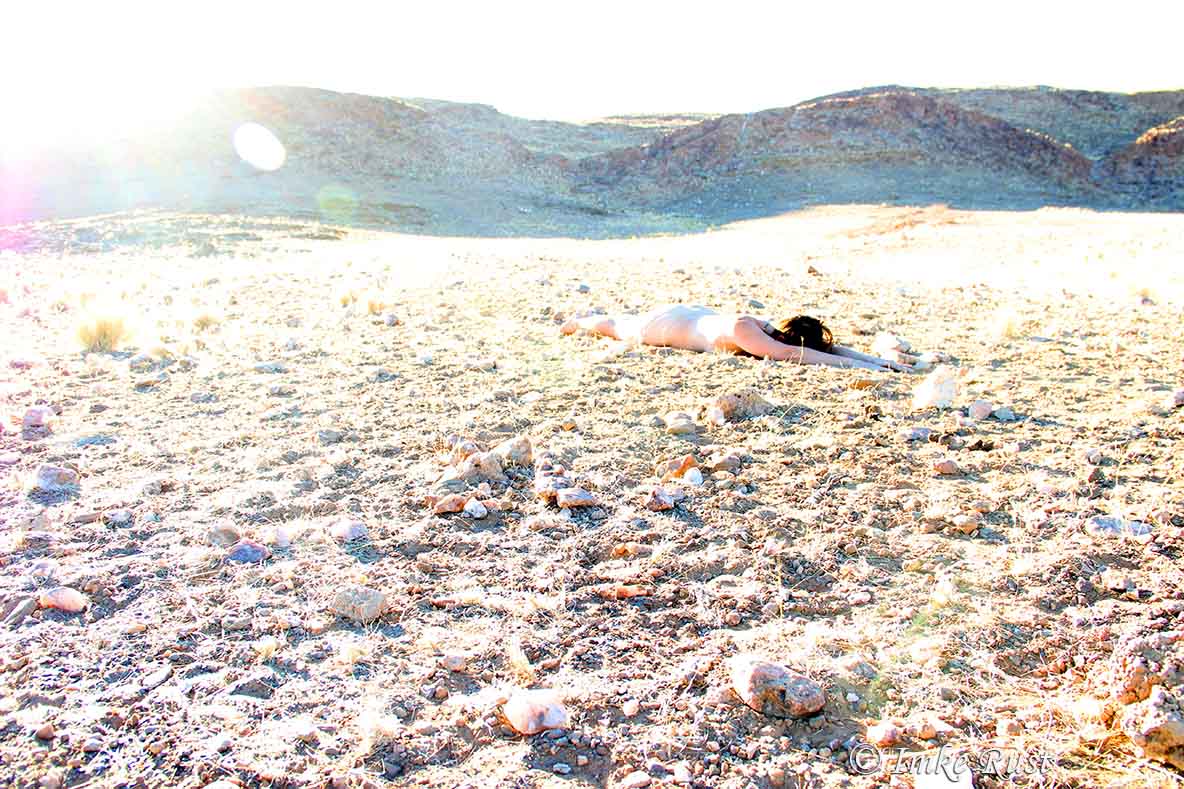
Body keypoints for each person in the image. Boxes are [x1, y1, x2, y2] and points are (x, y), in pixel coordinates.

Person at [561, 304, 912, 372]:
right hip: (666, 326)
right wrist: (860, 366)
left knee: (622, 323)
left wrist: (877, 360)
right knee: (618, 327)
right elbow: (794, 355)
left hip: (690, 317)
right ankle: (579, 322)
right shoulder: (747, 330)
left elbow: (824, 349)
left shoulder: (767, 329)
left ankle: (585, 319)